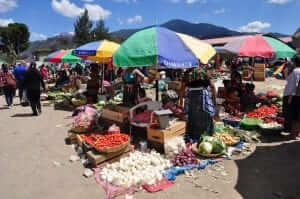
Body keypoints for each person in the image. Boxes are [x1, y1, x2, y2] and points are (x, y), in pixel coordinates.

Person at [185, 76, 215, 140]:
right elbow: (209, 109)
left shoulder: (190, 92)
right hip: (202, 117)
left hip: (194, 116)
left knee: (194, 133)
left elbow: (187, 106)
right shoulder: (204, 92)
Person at [283, 55, 300, 138]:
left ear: (295, 62)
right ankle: (297, 133)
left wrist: (290, 98)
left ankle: (293, 134)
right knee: (297, 116)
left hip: (295, 97)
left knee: (294, 116)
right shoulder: (295, 71)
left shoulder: (295, 72)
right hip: (297, 96)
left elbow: (294, 86)